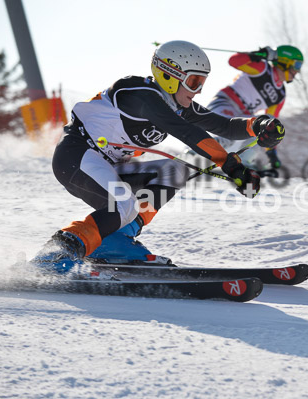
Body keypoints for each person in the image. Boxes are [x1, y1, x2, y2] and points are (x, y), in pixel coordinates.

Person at [31, 40, 285, 273]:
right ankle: (56, 253)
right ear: (169, 75)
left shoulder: (176, 103)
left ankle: (115, 239)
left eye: (202, 83)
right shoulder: (141, 95)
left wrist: (259, 124)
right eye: (194, 82)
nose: (197, 91)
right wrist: (231, 166)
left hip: (106, 165)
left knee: (175, 170)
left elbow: (225, 126)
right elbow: (187, 133)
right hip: (76, 157)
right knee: (123, 204)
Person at [207, 45, 303, 170]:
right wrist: (255, 55)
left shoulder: (280, 95)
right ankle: (196, 152)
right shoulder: (263, 69)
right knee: (228, 134)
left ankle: (243, 162)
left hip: (242, 115)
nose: (297, 71)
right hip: (226, 103)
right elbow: (233, 61)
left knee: (265, 123)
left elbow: (271, 126)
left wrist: (271, 152)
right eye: (297, 66)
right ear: (285, 61)